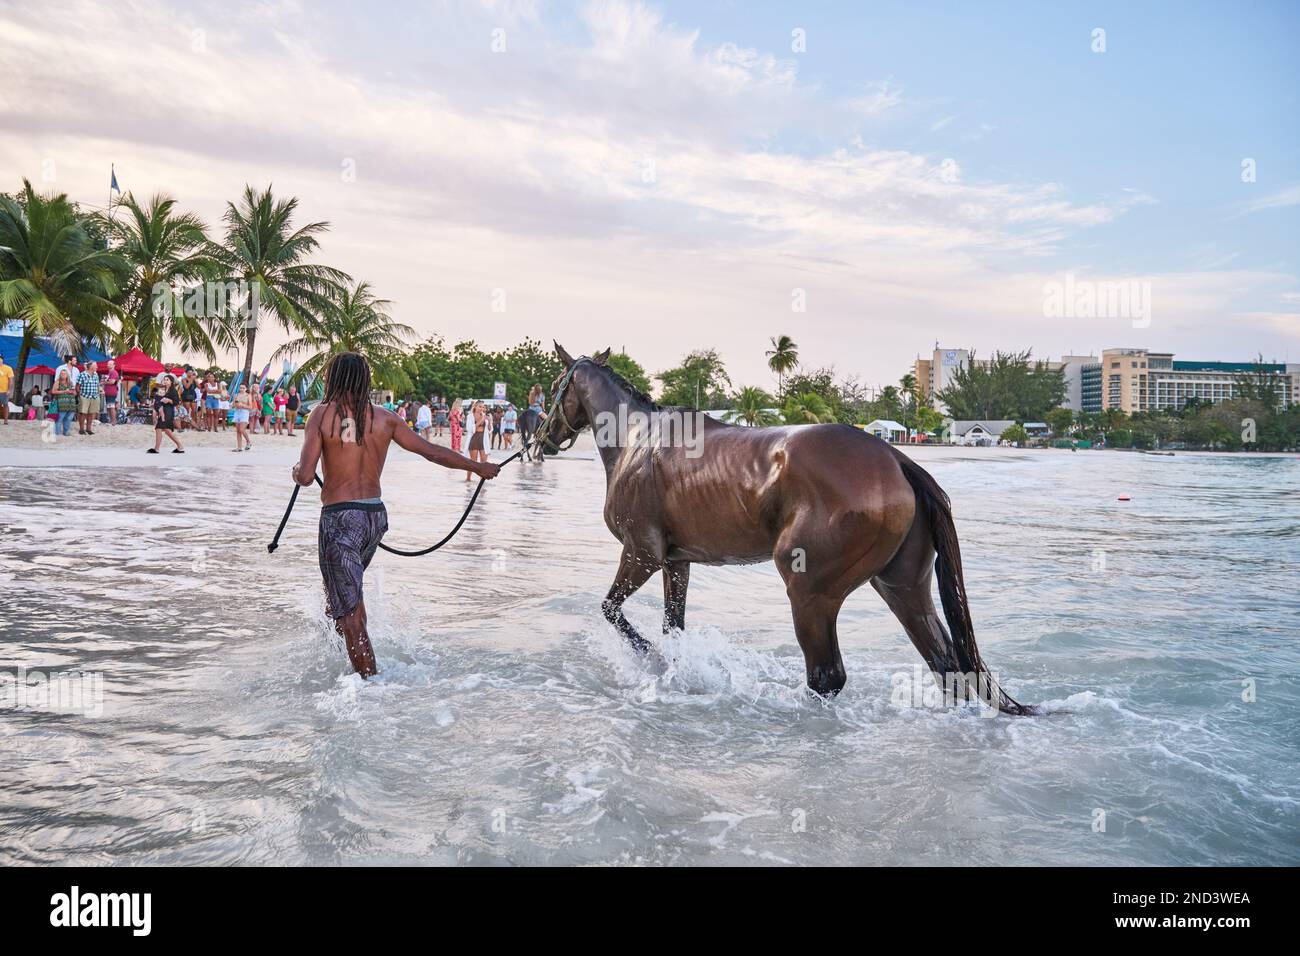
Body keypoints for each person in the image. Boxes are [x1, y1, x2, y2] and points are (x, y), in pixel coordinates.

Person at [292, 352, 499, 677]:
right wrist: (478, 467)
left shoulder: (321, 416)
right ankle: (340, 663)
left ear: (333, 379)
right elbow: (431, 452)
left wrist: (296, 470)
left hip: (340, 520)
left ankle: (371, 691)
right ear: (364, 380)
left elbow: (305, 477)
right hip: (374, 518)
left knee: (351, 615)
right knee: (340, 599)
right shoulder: (385, 418)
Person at [148, 375, 184, 453]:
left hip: (168, 411)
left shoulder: (173, 390)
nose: (165, 381)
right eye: (164, 380)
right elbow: (157, 399)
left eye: (167, 380)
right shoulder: (162, 389)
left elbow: (176, 402)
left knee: (159, 428)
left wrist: (169, 400)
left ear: (171, 381)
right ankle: (180, 446)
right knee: (167, 430)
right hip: (162, 410)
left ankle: (156, 449)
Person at [75, 360, 101, 435]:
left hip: (94, 396)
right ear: (91, 367)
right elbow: (77, 386)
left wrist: (98, 393)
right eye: (95, 365)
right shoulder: (82, 374)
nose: (97, 367)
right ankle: (81, 429)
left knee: (92, 413)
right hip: (85, 396)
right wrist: (80, 396)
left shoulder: (96, 374)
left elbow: (97, 385)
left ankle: (89, 429)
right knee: (83, 413)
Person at [466, 400, 489, 481]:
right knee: (473, 462)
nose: (482, 408)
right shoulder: (470, 416)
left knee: (484, 462)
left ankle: (482, 481)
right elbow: (470, 429)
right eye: (480, 406)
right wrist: (481, 419)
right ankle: (468, 479)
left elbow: (489, 430)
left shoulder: (485, 416)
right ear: (475, 407)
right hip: (474, 439)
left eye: (483, 407)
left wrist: (489, 421)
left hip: (483, 440)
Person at [50, 369, 77, 436]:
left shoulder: (70, 382)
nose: (63, 375)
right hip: (61, 404)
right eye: (61, 373)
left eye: (64, 373)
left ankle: (66, 432)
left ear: (67, 375)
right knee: (59, 419)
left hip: (71, 404)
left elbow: (75, 393)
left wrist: (73, 392)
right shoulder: (57, 382)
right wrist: (64, 391)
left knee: (68, 419)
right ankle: (58, 433)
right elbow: (53, 391)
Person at [231, 383, 254, 451]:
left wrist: (242, 405)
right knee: (238, 431)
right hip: (237, 412)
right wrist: (235, 404)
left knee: (242, 429)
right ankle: (239, 447)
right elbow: (233, 405)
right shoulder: (236, 395)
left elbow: (250, 407)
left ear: (246, 389)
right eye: (240, 388)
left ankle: (248, 442)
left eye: (243, 388)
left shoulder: (248, 395)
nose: (242, 389)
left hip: (244, 412)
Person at [101, 360, 120, 426]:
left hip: (112, 392)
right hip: (108, 392)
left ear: (114, 365)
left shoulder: (114, 372)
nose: (108, 365)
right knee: (109, 407)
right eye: (108, 364)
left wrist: (103, 382)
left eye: (110, 364)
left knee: (111, 407)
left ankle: (114, 421)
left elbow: (112, 382)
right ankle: (111, 420)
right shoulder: (109, 373)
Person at [0, 356, 13, 424]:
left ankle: (6, 420)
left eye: (0, 360)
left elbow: (11, 380)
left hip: (4, 391)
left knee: (5, 405)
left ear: (2, 361)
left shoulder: (8, 368)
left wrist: (9, 390)